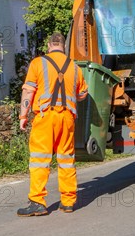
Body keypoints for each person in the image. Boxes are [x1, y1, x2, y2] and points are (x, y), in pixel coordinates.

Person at [17, 32, 88, 217]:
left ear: (49, 45)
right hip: (67, 118)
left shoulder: (38, 63)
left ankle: (37, 201)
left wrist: (23, 115)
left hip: (45, 116)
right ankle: (68, 201)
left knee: (40, 159)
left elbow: (28, 92)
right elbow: (82, 94)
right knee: (66, 160)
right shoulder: (74, 67)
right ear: (63, 46)